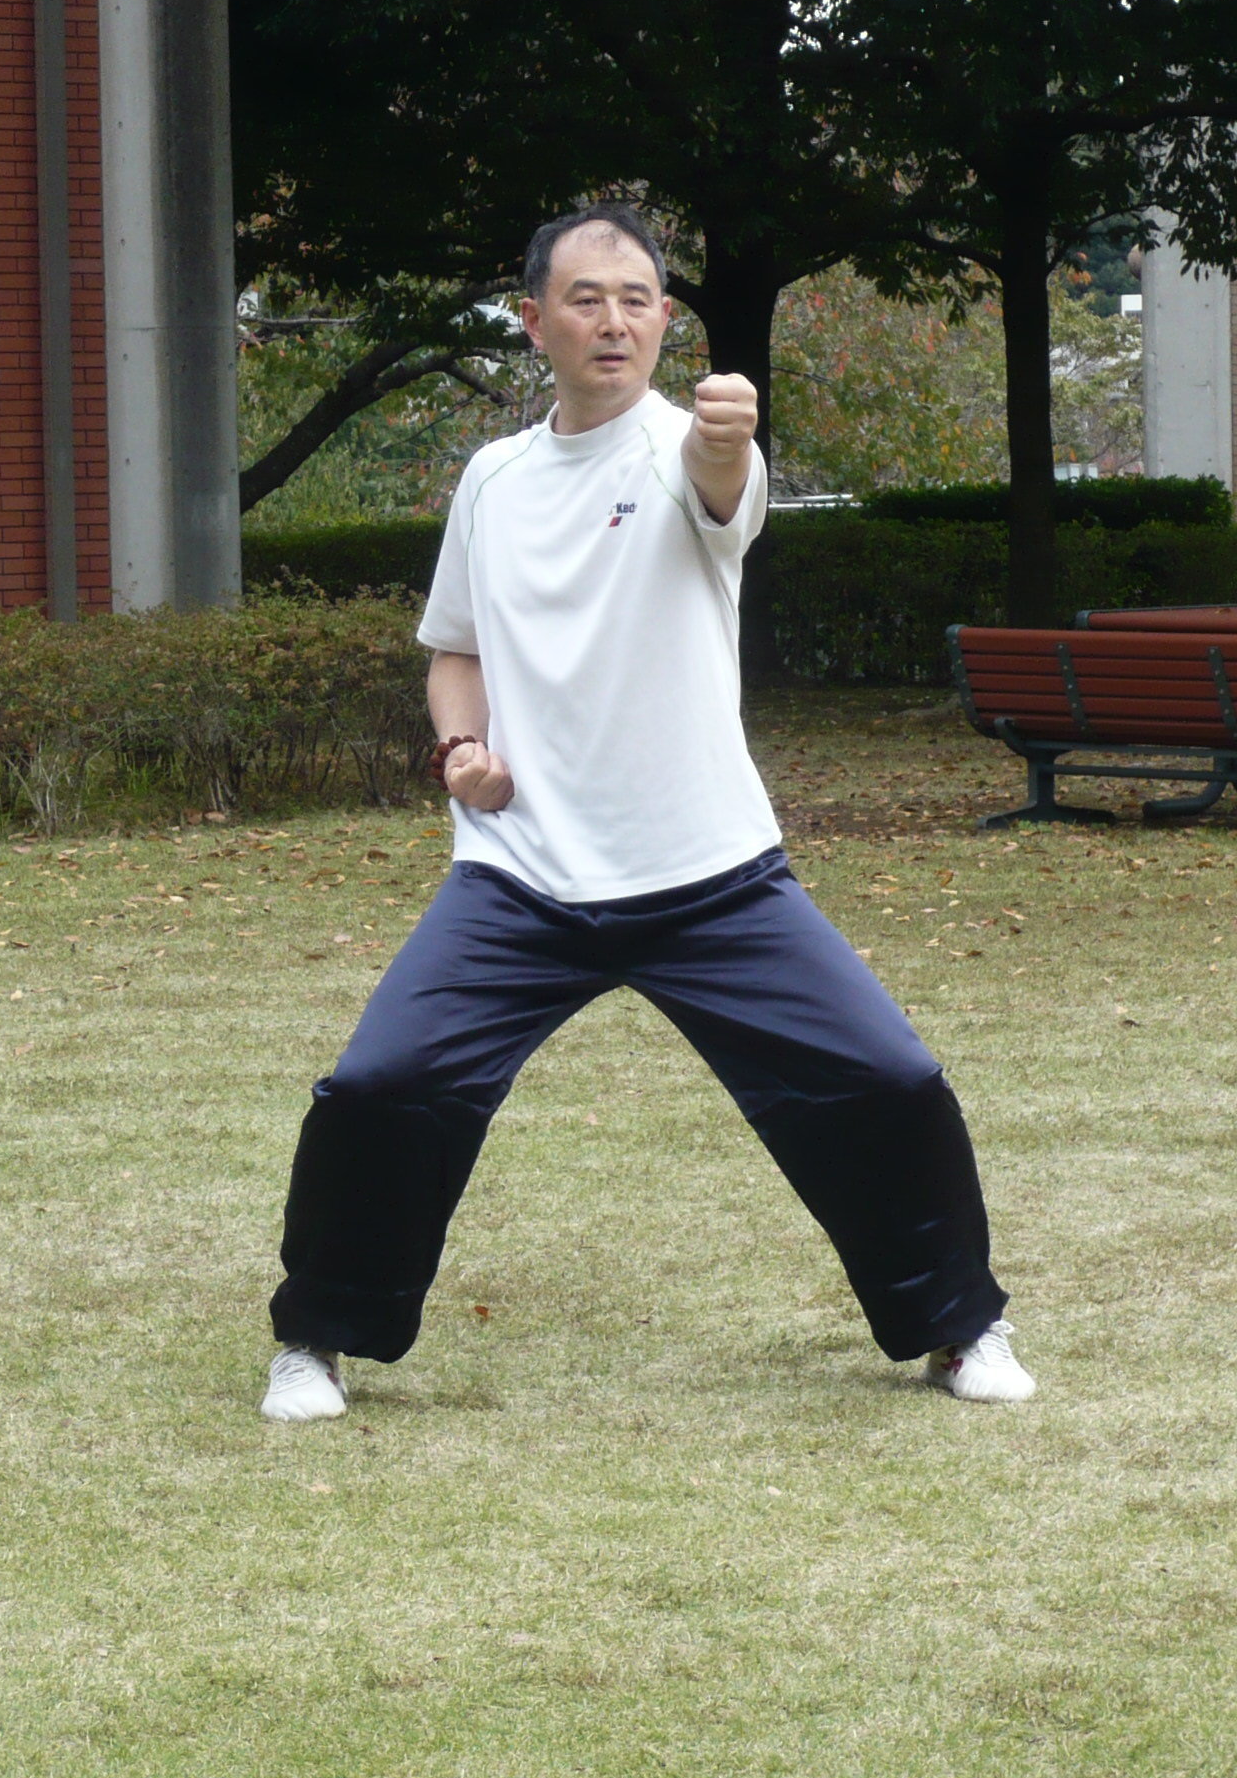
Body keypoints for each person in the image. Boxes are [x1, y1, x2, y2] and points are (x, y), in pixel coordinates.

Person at [258, 205, 1032, 1420]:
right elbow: (452, 650)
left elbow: (722, 487)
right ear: (534, 324)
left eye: (636, 298)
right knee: (378, 1087)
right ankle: (316, 1337)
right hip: (520, 879)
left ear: (666, 320)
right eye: (584, 297)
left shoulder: (692, 451)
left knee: (889, 1082)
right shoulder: (494, 480)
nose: (612, 319)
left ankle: (957, 1328)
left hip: (711, 875)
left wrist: (729, 439)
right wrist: (463, 747)